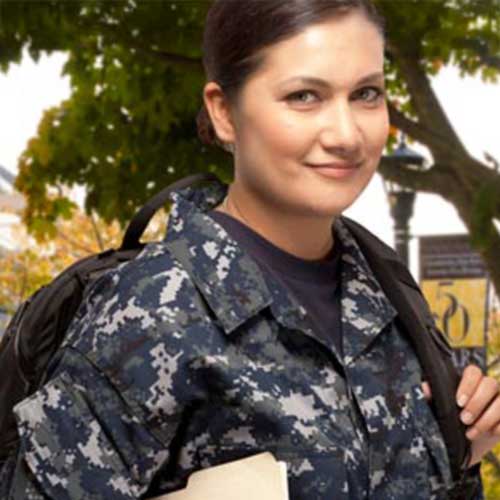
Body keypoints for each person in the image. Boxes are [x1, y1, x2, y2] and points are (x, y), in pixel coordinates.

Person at [3, 1, 499, 499]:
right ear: (223, 112)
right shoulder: (153, 310)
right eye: (304, 96)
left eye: (366, 94)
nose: (346, 134)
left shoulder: (388, 294)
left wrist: (458, 449)